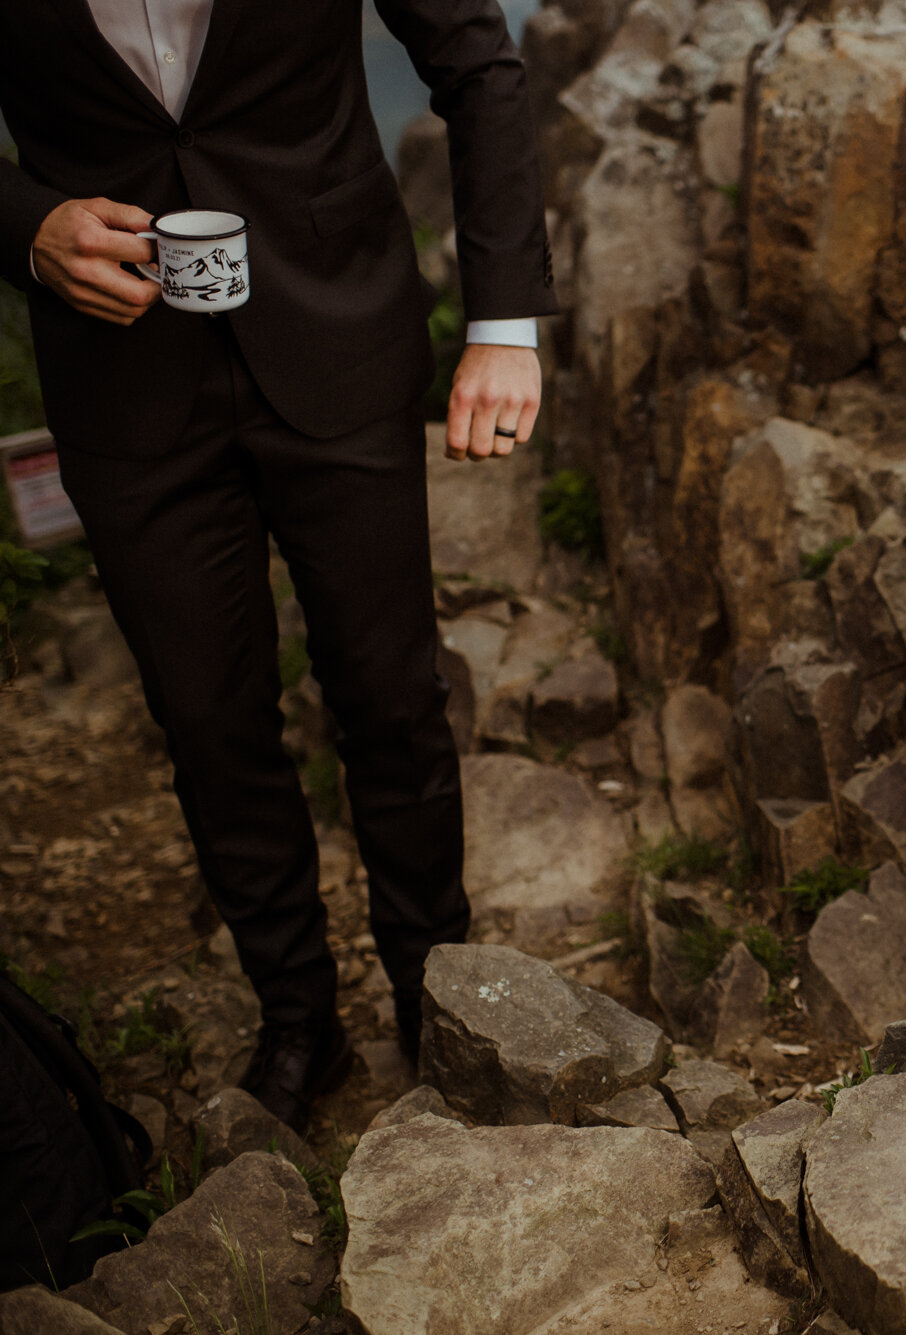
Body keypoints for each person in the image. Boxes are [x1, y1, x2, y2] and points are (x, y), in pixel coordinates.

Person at [0, 0, 558, 1129]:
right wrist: (24, 225)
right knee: (208, 722)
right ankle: (299, 1018)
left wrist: (504, 325)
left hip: (339, 336)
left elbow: (478, 66)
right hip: (121, 386)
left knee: (391, 698)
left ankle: (430, 995)